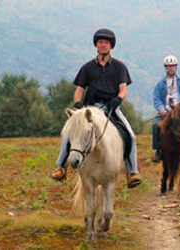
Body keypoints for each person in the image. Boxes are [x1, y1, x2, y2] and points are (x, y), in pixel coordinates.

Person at [49, 28, 142, 188]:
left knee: (130, 135)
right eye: (100, 42)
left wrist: (118, 99)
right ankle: (61, 167)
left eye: (106, 42)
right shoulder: (87, 67)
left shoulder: (120, 67)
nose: (103, 45)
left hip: (110, 107)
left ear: (111, 46)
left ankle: (132, 172)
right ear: (96, 45)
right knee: (70, 135)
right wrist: (78, 105)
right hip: (89, 110)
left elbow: (123, 89)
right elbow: (79, 90)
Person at [151, 55, 180, 162]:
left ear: (176, 67)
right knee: (155, 126)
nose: (171, 68)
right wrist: (161, 109)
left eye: (173, 66)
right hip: (166, 112)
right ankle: (158, 151)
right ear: (165, 67)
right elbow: (157, 98)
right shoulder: (160, 84)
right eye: (168, 66)